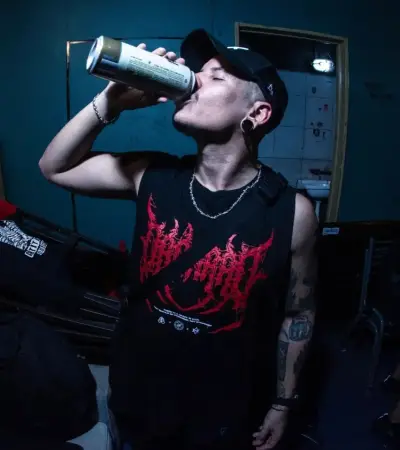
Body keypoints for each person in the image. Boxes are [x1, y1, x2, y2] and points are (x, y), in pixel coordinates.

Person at [39, 29, 318, 450]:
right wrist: (110, 104)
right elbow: (54, 168)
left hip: (223, 407)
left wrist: (282, 404)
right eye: (198, 71)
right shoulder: (152, 175)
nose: (194, 79)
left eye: (216, 77)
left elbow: (298, 314)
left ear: (257, 113)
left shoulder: (292, 212)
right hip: (138, 391)